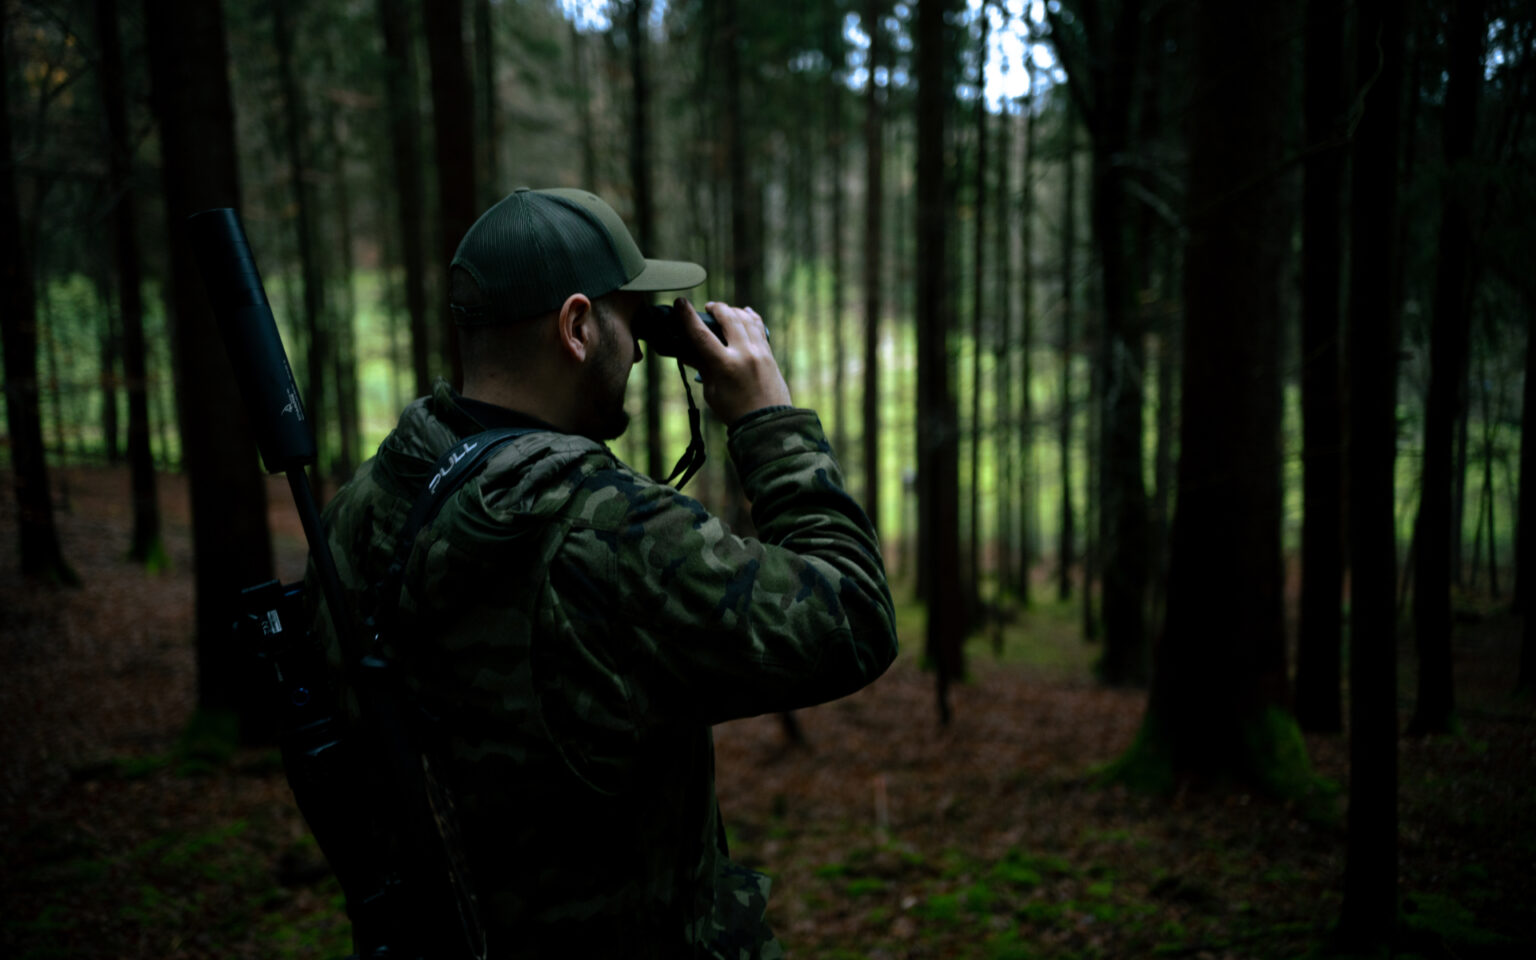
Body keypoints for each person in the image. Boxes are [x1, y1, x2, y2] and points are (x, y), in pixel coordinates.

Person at [308, 187, 897, 957]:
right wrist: (767, 421)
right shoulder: (606, 530)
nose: (641, 343)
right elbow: (853, 619)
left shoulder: (366, 504)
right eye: (631, 318)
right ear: (578, 327)